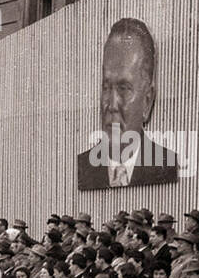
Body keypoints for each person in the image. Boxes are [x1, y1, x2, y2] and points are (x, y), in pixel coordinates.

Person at [76, 18, 179, 190]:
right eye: (106, 87)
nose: (112, 105)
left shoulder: (164, 163)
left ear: (147, 101)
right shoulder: (86, 165)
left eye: (124, 88)